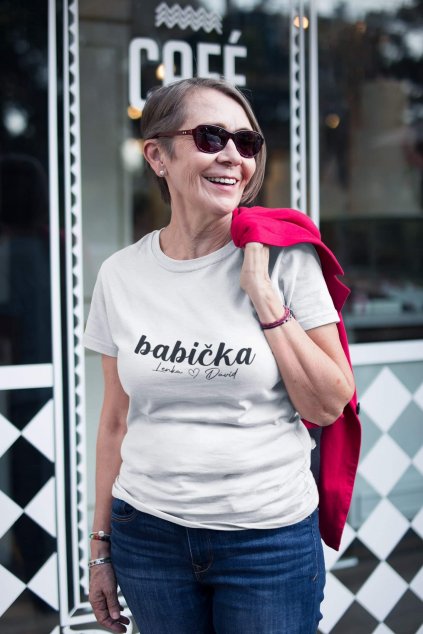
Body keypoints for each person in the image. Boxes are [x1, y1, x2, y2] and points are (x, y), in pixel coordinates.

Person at [84, 77, 355, 634]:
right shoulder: (120, 274)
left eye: (247, 141)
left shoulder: (285, 260)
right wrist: (100, 547)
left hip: (267, 541)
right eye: (211, 137)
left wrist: (265, 298)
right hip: (149, 535)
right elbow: (115, 422)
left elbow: (330, 403)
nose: (233, 156)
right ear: (158, 156)